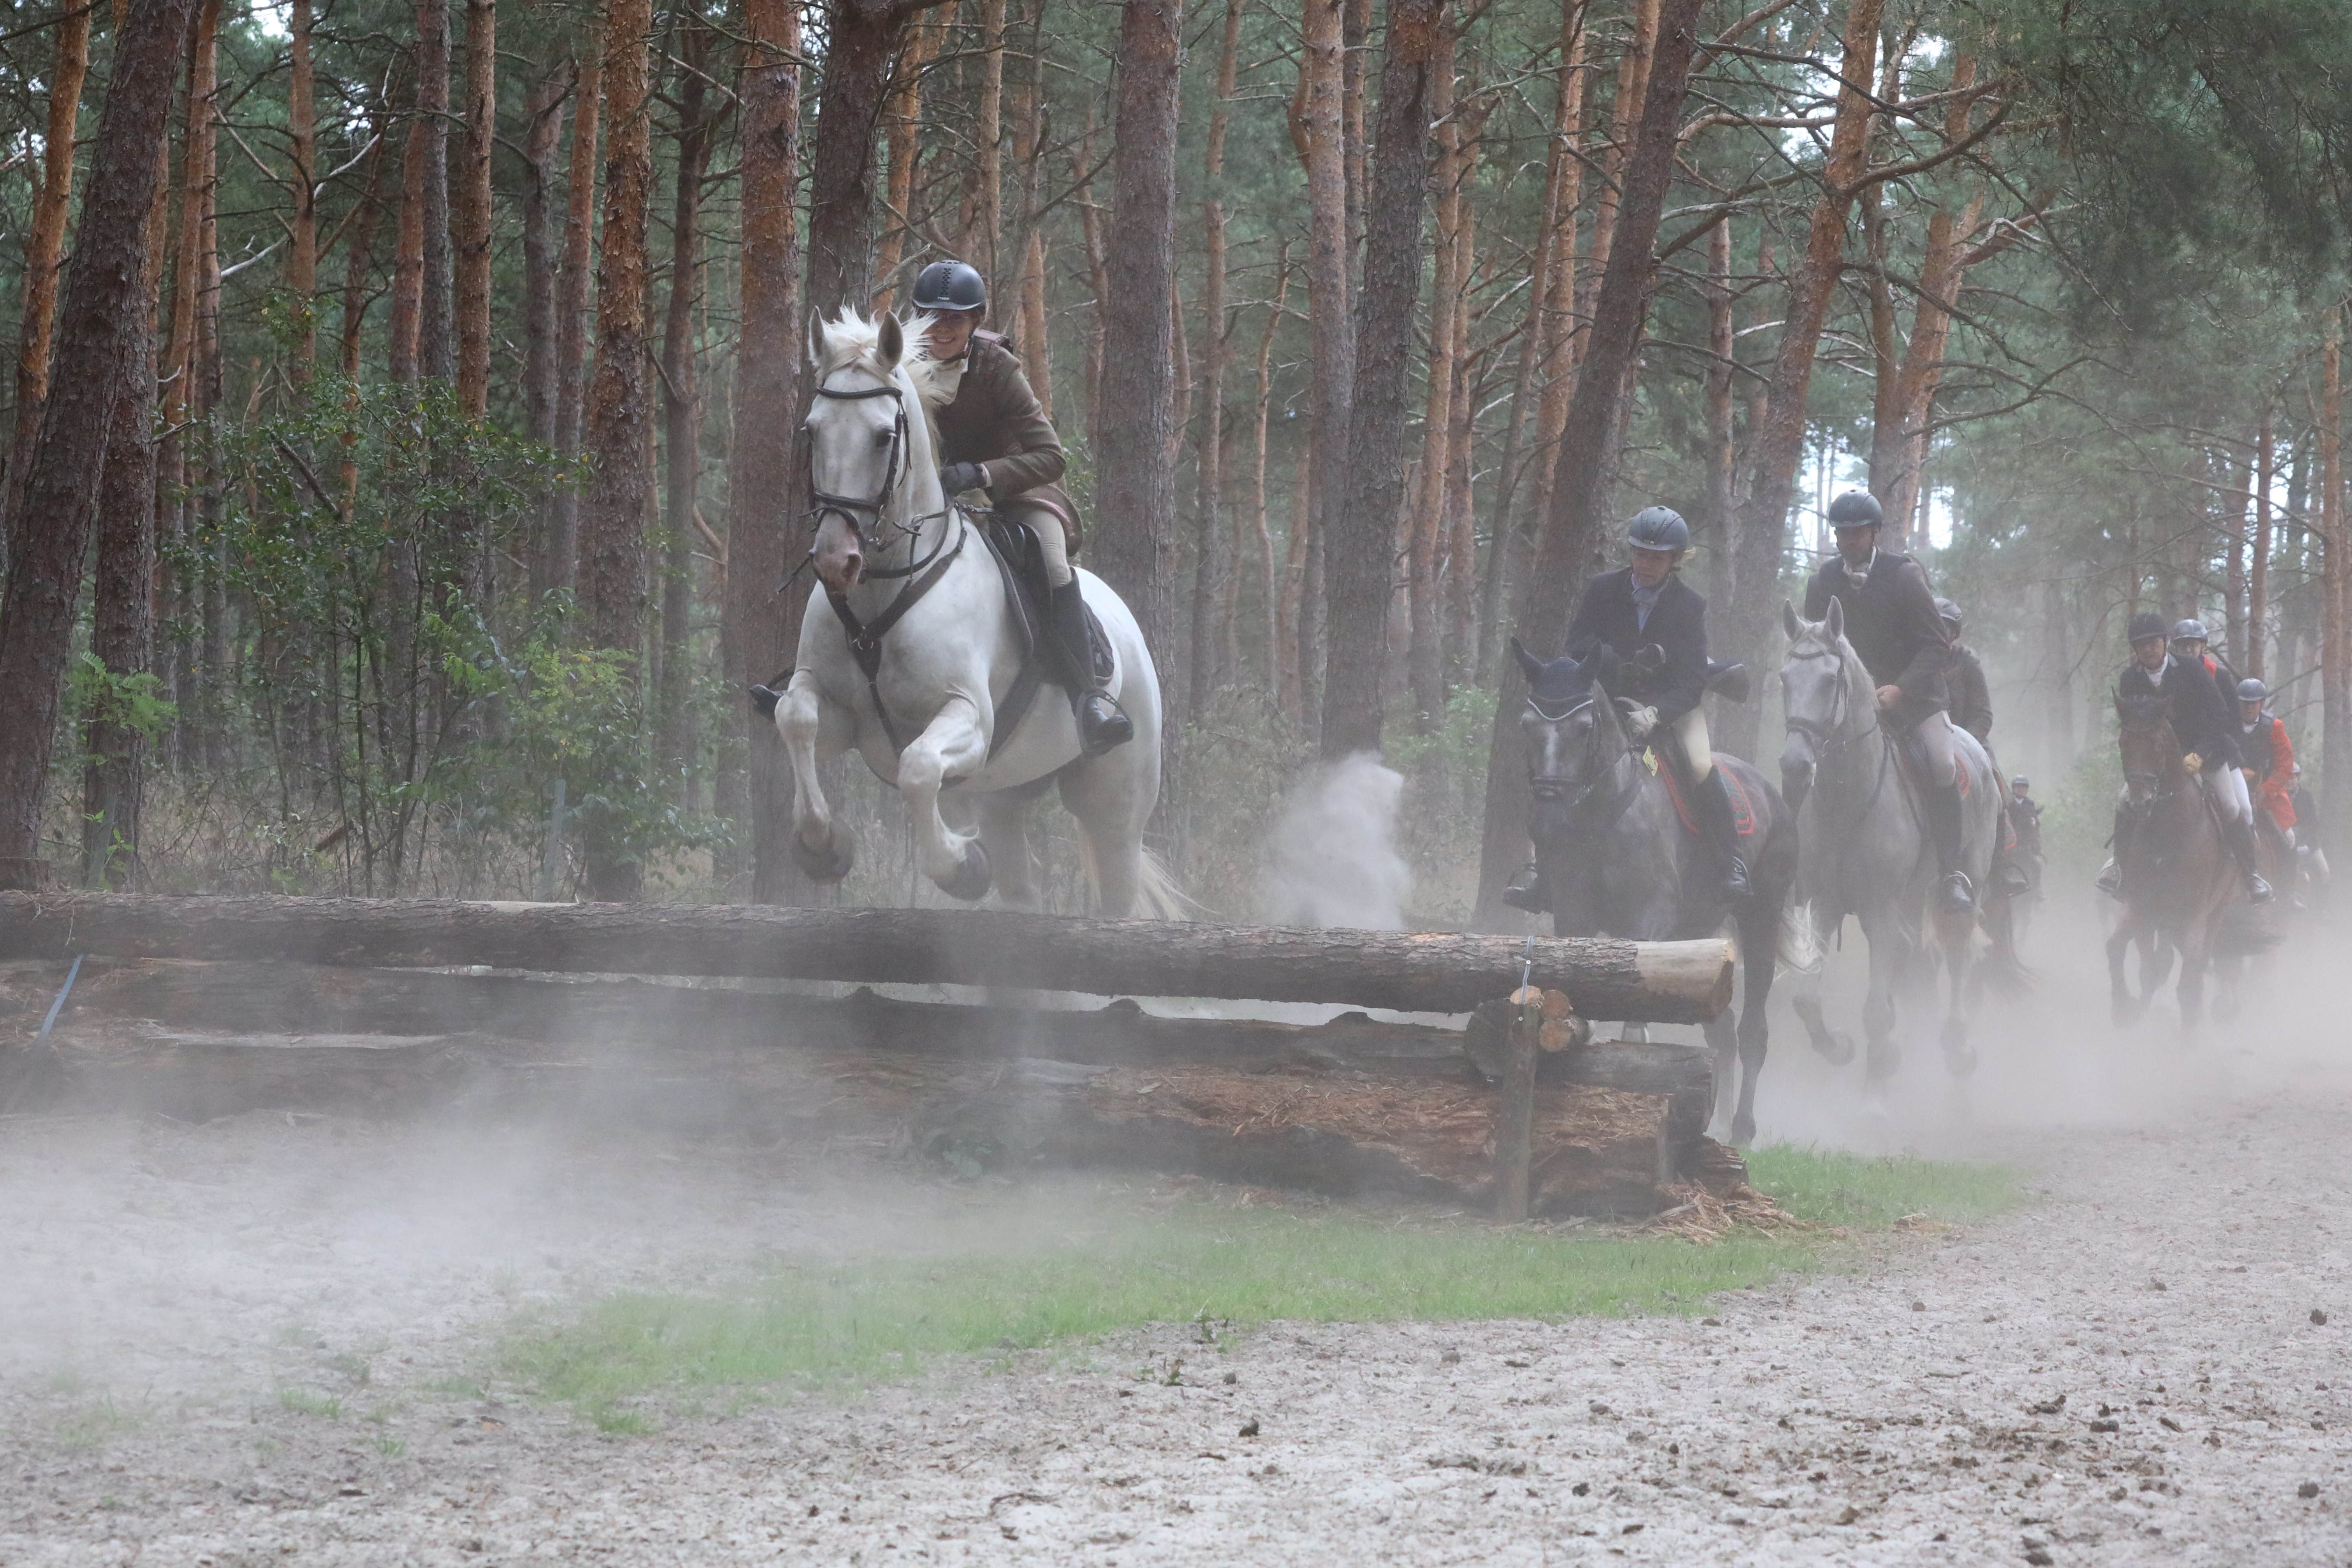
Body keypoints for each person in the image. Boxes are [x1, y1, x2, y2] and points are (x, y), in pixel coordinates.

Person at [913, 259, 1132, 755]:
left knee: (1053, 566)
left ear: (974, 321)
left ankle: (1089, 700)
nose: (941, 328)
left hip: (1013, 491)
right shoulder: (900, 362)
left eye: (954, 319)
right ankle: (818, 677)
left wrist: (981, 473)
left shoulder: (995, 367)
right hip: (930, 499)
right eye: (932, 316)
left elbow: (1050, 456)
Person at [1502, 506, 1747, 913]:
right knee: (1561, 768)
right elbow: (1575, 647)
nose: (1645, 564)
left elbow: (1691, 683)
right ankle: (1545, 877)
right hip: (1608, 702)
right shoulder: (1602, 589)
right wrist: (1609, 660)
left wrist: (1655, 714)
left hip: (1671, 707)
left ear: (1674, 560)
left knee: (1701, 766)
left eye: (1656, 558)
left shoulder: (1689, 605)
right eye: (1640, 554)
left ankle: (1730, 862)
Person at [1801, 489, 1976, 913]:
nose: (1848, 540)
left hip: (1913, 699)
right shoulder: (1822, 582)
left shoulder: (1904, 576)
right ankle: (1799, 868)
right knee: (1801, 761)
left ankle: (1950, 872)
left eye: (1857, 532)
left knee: (1942, 763)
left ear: (1875, 532)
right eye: (1842, 532)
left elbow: (1935, 644)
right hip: (1849, 705)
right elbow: (1813, 644)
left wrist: (1900, 689)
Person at [2105, 610, 2271, 903]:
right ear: (2135, 649)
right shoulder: (2129, 679)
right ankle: (2117, 867)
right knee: (2124, 801)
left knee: (2235, 807)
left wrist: (2200, 754)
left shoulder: (2191, 669)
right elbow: (2134, 726)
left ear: (2165, 642)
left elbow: (2221, 715)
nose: (2148, 649)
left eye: (2153, 643)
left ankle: (2251, 876)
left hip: (2207, 752)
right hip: (2158, 762)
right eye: (2141, 645)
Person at [2235, 676, 2297, 862]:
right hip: (2233, 784)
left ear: (2262, 704)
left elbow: (2285, 765)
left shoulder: (2275, 727)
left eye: (2253, 703)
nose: (2248, 708)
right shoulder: (2229, 722)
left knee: (2289, 838)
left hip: (2267, 791)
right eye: (2244, 703)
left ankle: (2288, 881)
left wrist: (2266, 788)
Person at [1937, 599, 1995, 744]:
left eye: (1942, 627)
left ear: (1954, 633)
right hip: (1923, 738)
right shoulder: (1913, 664)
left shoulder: (1969, 665)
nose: (1935, 632)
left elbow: (1983, 715)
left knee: (1986, 759)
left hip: (1965, 739)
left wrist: (1966, 740)